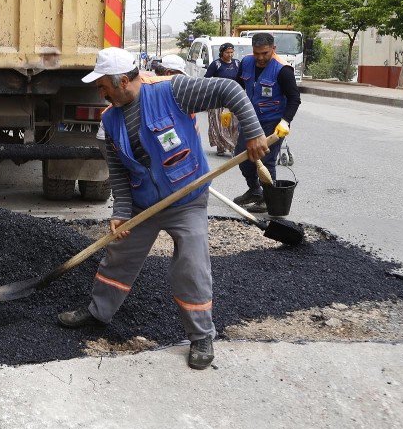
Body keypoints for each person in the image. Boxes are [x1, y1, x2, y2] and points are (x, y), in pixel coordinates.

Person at [56, 47, 269, 370]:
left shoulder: (174, 91)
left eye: (103, 86)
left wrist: (252, 132)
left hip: (186, 200)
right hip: (144, 203)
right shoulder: (110, 122)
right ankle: (98, 312)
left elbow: (229, 89)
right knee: (120, 255)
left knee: (191, 264)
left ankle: (201, 336)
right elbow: (119, 174)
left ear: (124, 81)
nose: (100, 93)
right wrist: (121, 212)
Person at [233, 32, 300, 212]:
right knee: (242, 156)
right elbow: (236, 87)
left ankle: (267, 197)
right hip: (249, 119)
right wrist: (227, 107)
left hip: (273, 122)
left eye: (265, 53)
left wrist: (286, 121)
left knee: (267, 159)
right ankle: (254, 190)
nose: (260, 58)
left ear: (273, 49)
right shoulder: (246, 63)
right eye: (257, 53)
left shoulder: (282, 70)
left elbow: (294, 98)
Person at [204, 43, 242, 156]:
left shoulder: (237, 63)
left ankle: (233, 145)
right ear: (222, 52)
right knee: (219, 124)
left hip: (233, 98)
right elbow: (206, 80)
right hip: (218, 100)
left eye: (231, 52)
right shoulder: (216, 64)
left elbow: (241, 79)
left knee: (234, 124)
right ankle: (222, 146)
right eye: (227, 52)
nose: (230, 55)